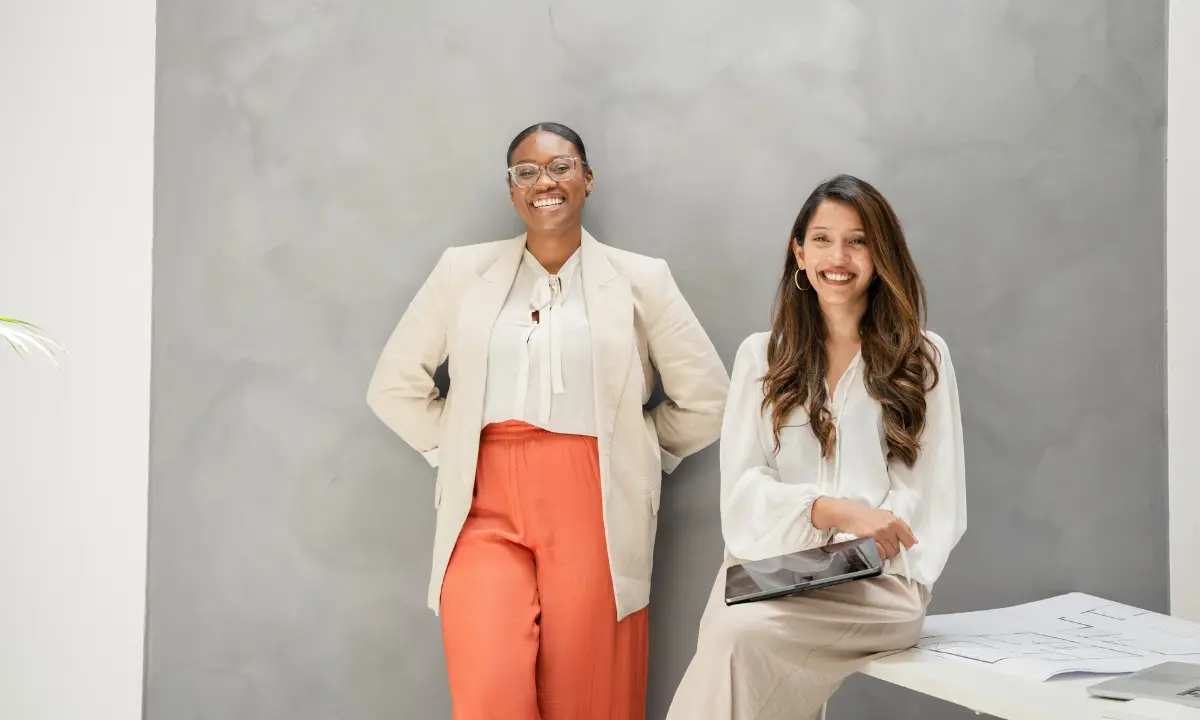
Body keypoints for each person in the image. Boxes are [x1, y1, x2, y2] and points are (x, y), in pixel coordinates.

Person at [366, 122, 730, 719]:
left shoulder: (641, 279)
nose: (545, 182)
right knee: (489, 688)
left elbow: (709, 400)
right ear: (511, 189)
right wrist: (458, 448)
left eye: (561, 167)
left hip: (595, 499)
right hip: (482, 502)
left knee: (590, 694)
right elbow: (393, 387)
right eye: (527, 171)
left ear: (587, 179)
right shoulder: (464, 272)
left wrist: (633, 449)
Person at [665, 174, 967, 720]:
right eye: (823, 239)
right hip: (771, 569)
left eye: (857, 240)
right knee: (733, 633)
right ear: (798, 252)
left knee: (738, 636)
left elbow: (933, 496)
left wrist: (866, 541)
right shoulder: (762, 358)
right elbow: (741, 494)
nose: (839, 256)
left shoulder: (922, 358)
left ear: (881, 253)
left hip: (880, 585)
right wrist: (831, 511)